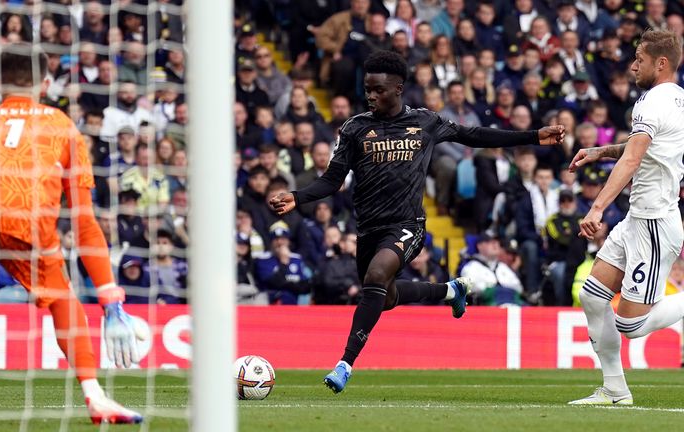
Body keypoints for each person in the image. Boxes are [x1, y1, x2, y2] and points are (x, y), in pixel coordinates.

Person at [269, 50, 565, 393]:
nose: (371, 95)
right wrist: (297, 195)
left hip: (408, 224)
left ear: (398, 88)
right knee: (384, 294)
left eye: (378, 89)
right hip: (368, 229)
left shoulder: (425, 122)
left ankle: (344, 364)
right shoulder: (355, 128)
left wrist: (531, 136)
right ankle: (450, 290)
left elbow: (475, 135)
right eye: (367, 89)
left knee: (377, 275)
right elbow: (332, 180)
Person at [0, 46, 144, 424]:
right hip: (25, 220)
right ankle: (95, 396)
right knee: (61, 298)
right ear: (47, 83)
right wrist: (110, 300)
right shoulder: (62, 125)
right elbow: (84, 220)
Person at [568, 30, 684, 406]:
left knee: (630, 324)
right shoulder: (677, 99)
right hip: (638, 219)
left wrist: (598, 207)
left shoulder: (651, 103)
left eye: (639, 58)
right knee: (592, 296)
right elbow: (643, 149)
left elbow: (633, 159)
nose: (633, 65)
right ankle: (615, 389)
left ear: (660, 63)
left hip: (654, 224)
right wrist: (601, 151)